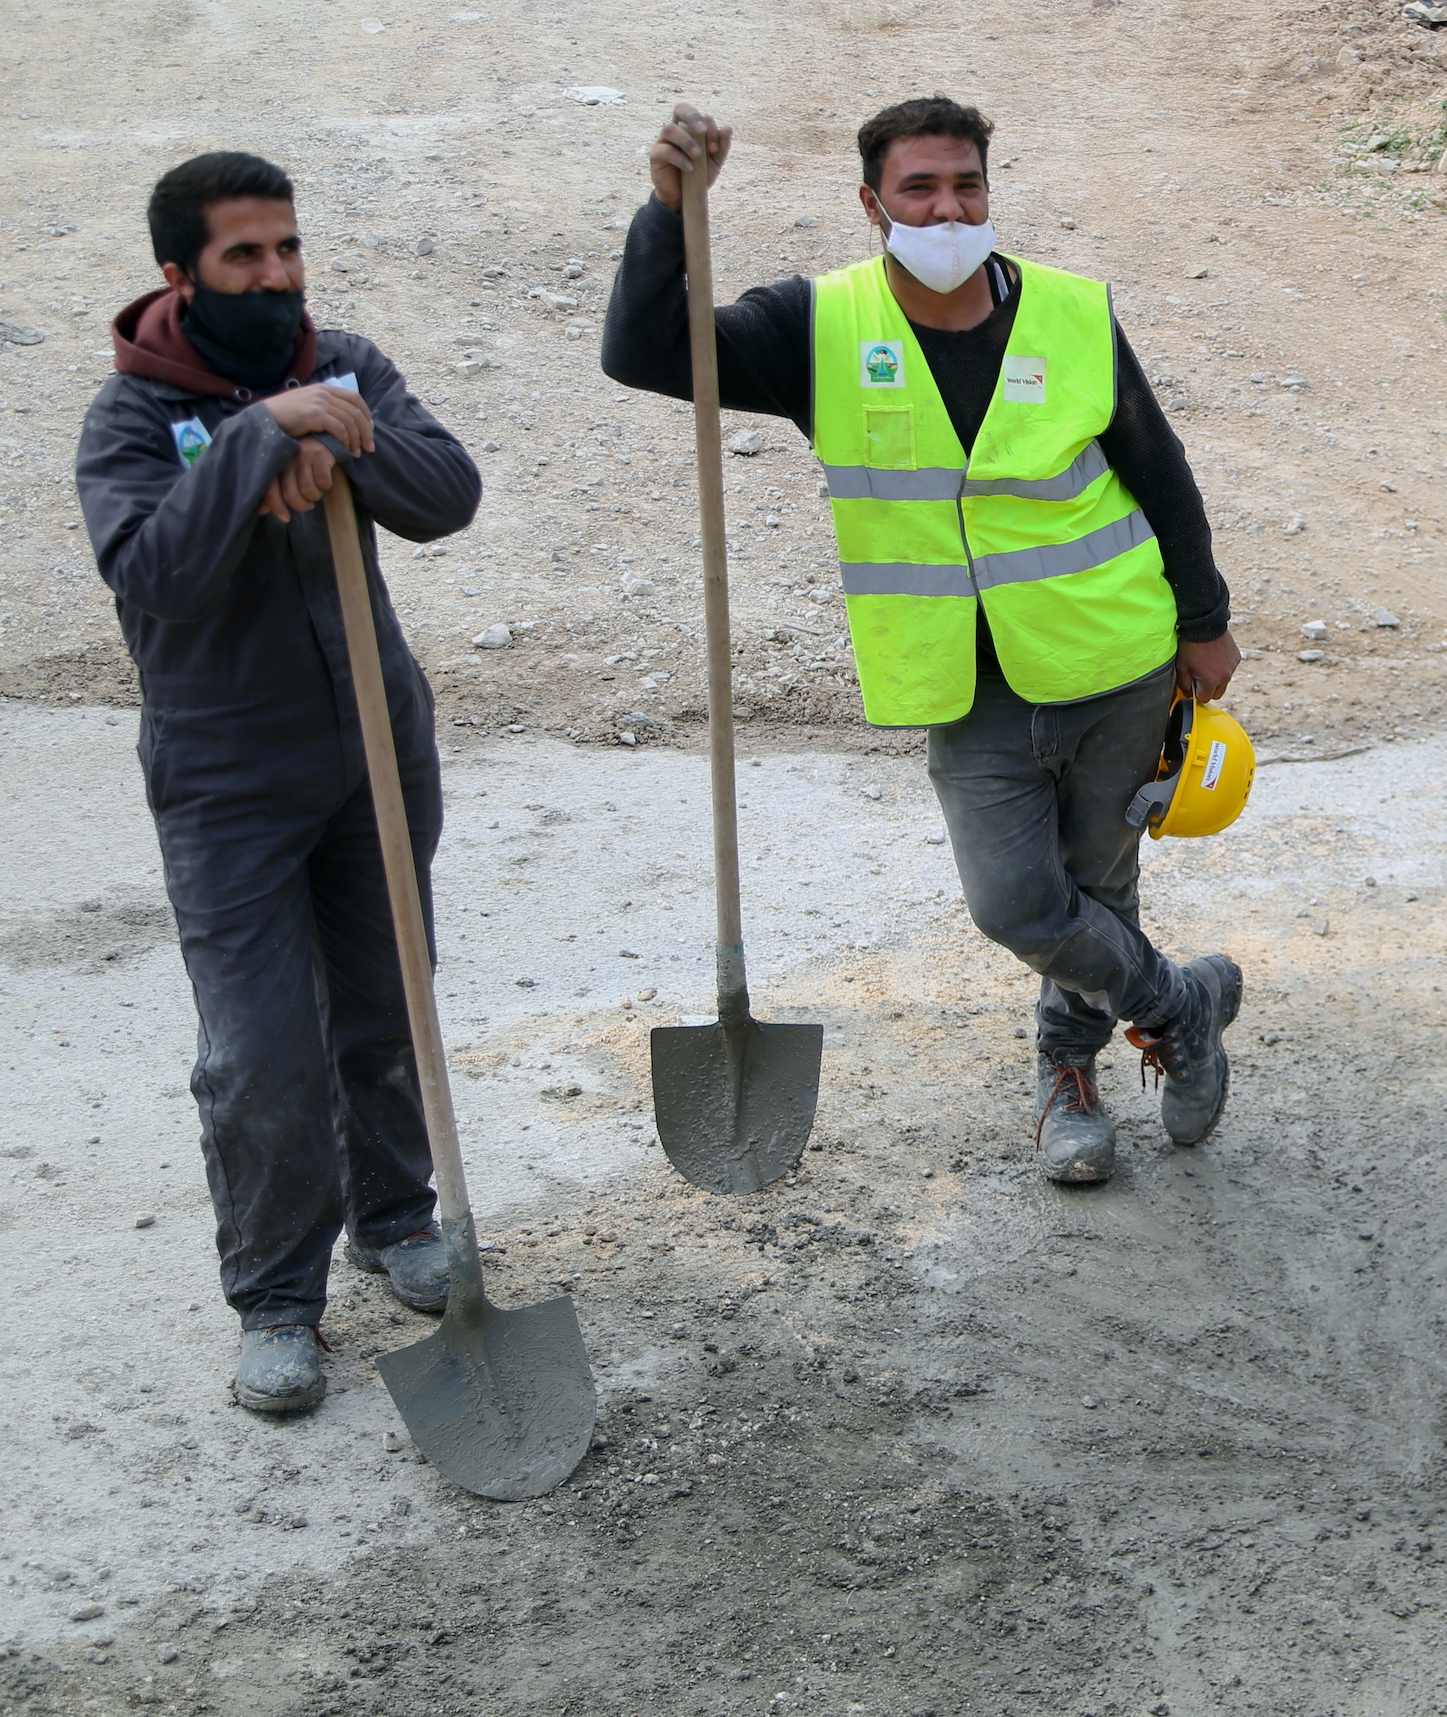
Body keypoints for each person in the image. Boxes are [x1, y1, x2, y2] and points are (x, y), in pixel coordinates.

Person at [601, 98, 1243, 1187]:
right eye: (920, 189)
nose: (949, 208)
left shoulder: (1072, 310)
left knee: (1100, 882)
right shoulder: (820, 326)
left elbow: (1157, 464)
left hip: (1113, 656)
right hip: (961, 678)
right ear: (871, 204)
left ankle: (1067, 1077)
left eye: (967, 186)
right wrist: (670, 212)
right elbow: (647, 350)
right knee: (1020, 905)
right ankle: (1178, 1007)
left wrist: (1205, 618)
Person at [77, 152, 482, 1411]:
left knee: (385, 1006)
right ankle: (275, 1298)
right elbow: (152, 574)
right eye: (245, 256)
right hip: (226, 770)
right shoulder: (132, 416)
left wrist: (339, 436)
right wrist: (258, 440)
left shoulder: (344, 358)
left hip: (375, 744)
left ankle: (399, 1220)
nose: (276, 275)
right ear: (178, 273)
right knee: (259, 1051)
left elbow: (449, 494)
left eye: (288, 249)